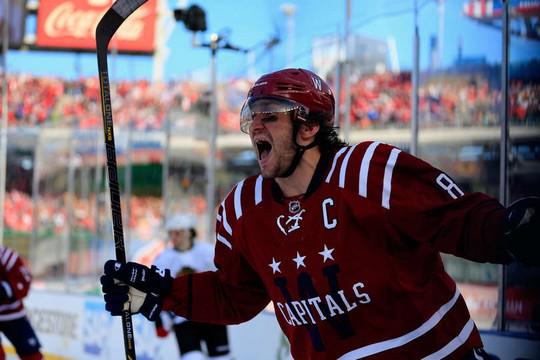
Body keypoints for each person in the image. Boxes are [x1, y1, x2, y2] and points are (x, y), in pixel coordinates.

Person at [101, 68, 539, 359]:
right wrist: (161, 292)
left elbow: (457, 218)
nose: (255, 127)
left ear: (310, 128)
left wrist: (506, 230)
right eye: (251, 117)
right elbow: (236, 296)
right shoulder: (241, 210)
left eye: (269, 116)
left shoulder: (370, 171)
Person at [153, 213, 231, 360]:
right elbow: (158, 292)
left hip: (212, 315)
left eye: (179, 232)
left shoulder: (208, 252)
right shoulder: (163, 260)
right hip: (183, 318)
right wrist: (161, 320)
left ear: (189, 232)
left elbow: (223, 279)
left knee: (222, 358)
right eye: (171, 233)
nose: (174, 237)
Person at [0, 246, 43, 360]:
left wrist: (5, 290)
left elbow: (24, 279)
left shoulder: (5, 255)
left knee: (32, 354)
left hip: (12, 313)